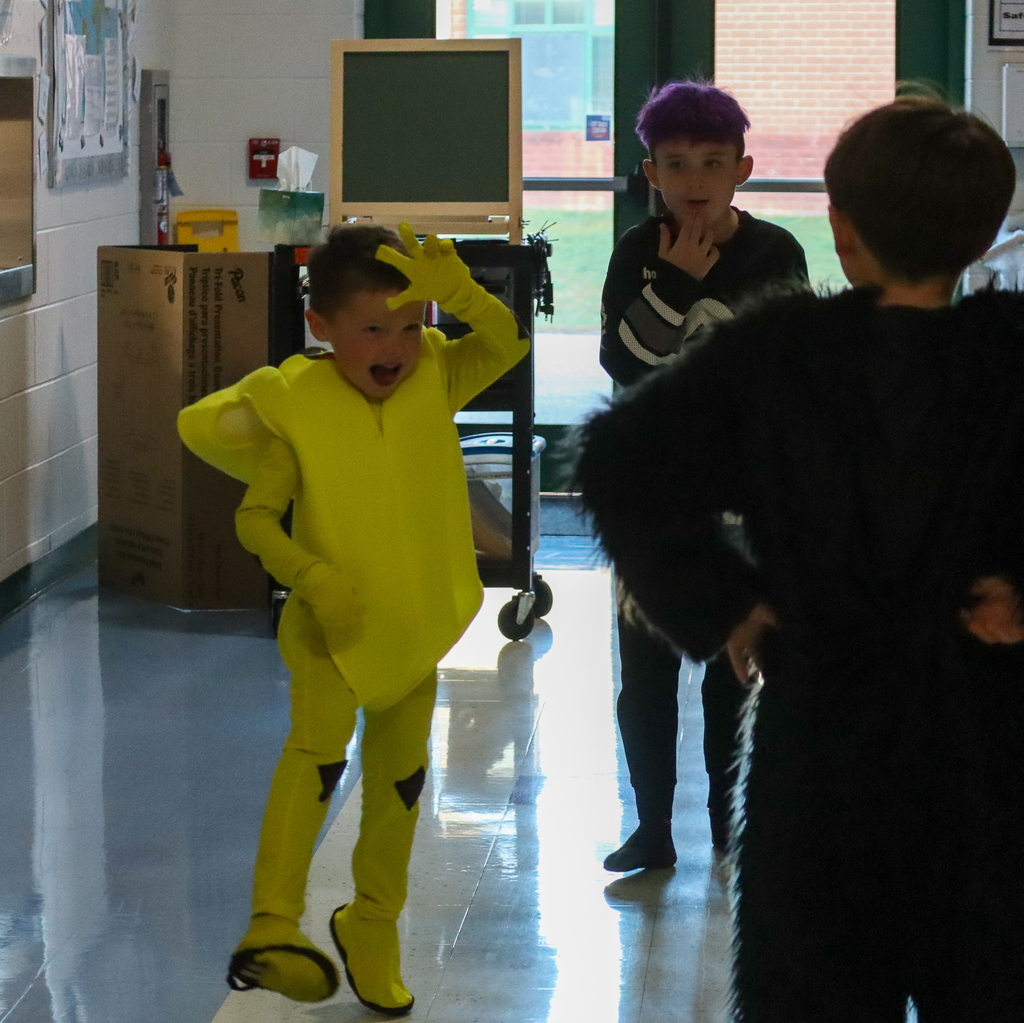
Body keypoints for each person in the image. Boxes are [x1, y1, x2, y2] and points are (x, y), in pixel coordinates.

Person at [576, 95, 1024, 1020]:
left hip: (824, 733)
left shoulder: (781, 354)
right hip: (987, 736)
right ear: (985, 236)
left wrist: (726, 604)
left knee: (815, 990)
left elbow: (621, 462)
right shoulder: (1013, 354)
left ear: (842, 228)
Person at [177, 223, 529, 1013]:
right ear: (322, 327)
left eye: (411, 325)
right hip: (327, 628)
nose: (396, 346)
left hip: (412, 625)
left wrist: (463, 293)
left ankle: (373, 924)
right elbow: (255, 521)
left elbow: (504, 343)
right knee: (317, 759)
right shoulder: (294, 404)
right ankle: (272, 925)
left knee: (401, 784)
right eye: (373, 328)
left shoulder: (435, 373)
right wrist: (311, 575)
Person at [598, 80, 808, 868]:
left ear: (741, 169)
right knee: (644, 675)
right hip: (652, 504)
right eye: (676, 163)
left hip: (739, 504)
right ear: (650, 172)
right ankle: (652, 828)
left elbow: (781, 376)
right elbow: (623, 362)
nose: (694, 180)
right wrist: (676, 282)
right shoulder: (633, 252)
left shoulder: (773, 253)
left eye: (712, 163)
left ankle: (729, 828)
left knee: (734, 671)